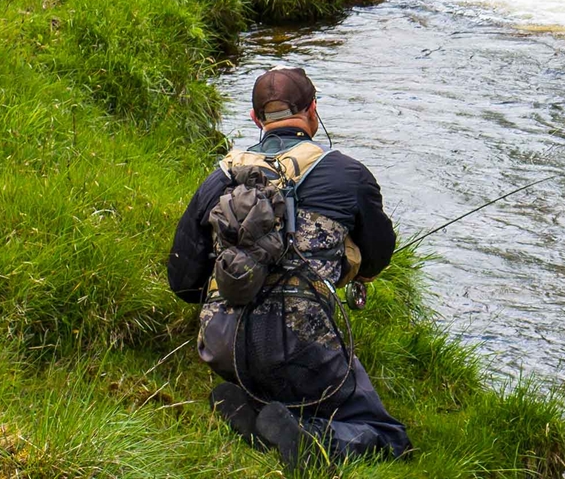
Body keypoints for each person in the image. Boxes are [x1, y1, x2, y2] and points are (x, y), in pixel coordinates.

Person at [167, 66, 411, 468]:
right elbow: (379, 255)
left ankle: (251, 407)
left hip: (221, 344)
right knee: (388, 435)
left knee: (276, 378)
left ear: (255, 119)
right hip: (303, 346)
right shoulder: (348, 174)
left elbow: (182, 282)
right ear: (313, 111)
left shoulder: (220, 177)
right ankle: (312, 438)